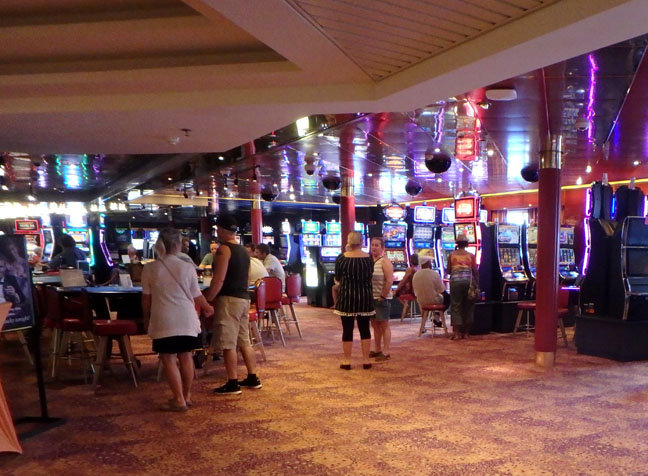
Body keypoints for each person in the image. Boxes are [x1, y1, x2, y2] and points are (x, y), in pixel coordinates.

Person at [141, 228, 214, 412]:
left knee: (168, 358)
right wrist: (208, 308)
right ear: (178, 245)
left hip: (164, 318)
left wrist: (146, 318)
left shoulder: (150, 268)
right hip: (186, 318)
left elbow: (146, 299)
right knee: (186, 356)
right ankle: (186, 396)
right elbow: (197, 295)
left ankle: (178, 399)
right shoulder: (187, 267)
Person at [205, 215, 262, 395]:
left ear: (221, 230)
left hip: (229, 300)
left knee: (228, 342)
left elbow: (219, 279)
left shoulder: (224, 250)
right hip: (243, 298)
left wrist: (208, 299)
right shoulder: (244, 251)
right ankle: (252, 377)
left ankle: (232, 382)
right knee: (244, 340)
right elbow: (246, 278)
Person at [334, 231, 375, 370]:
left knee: (347, 329)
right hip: (364, 297)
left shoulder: (342, 258)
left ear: (349, 242)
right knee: (365, 329)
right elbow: (370, 276)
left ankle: (347, 361)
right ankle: (366, 360)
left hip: (347, 297)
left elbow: (337, 278)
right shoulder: (368, 258)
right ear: (362, 241)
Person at [448, 233, 479, 340]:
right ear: (466, 244)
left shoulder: (452, 255)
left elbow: (448, 270)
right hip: (468, 282)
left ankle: (457, 333)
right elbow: (475, 271)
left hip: (455, 282)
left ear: (457, 243)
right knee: (468, 307)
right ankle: (466, 333)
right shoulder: (471, 255)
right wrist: (477, 285)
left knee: (456, 306)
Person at [369, 237, 394, 362]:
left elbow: (389, 281)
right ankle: (377, 348)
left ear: (382, 248)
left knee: (384, 325)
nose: (374, 247)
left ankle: (386, 351)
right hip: (371, 297)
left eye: (377, 245)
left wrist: (383, 296)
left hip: (383, 298)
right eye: (372, 245)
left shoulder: (385, 262)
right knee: (375, 324)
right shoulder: (370, 261)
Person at [412, 255, 446, 329]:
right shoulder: (434, 273)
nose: (431, 264)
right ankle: (436, 316)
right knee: (447, 297)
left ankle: (433, 318)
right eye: (430, 263)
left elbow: (415, 291)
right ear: (427, 264)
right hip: (434, 300)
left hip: (420, 301)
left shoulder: (415, 275)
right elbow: (441, 290)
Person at [393, 254, 420, 320]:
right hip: (420, 291)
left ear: (410, 261)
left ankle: (407, 307)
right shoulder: (420, 269)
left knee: (397, 293)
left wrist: (396, 289)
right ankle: (408, 308)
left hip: (413, 291)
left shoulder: (410, 269)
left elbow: (403, 281)